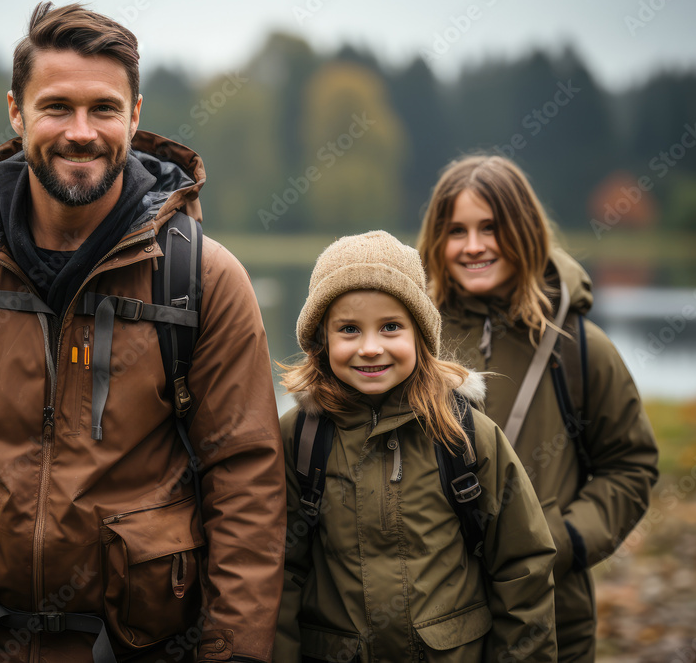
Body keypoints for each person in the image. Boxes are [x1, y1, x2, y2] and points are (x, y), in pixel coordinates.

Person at [0, 3, 285, 663]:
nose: (81, 132)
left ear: (134, 114)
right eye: (56, 107)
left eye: (103, 108)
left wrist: (235, 652)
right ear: (16, 112)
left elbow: (246, 479)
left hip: (140, 647)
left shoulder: (203, 279)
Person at [417, 155, 659, 661]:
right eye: (456, 230)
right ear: (436, 241)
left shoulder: (579, 348)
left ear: (525, 232)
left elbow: (631, 466)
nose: (474, 245)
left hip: (553, 617)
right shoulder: (411, 344)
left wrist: (565, 539)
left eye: (491, 227)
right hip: (427, 620)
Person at [275, 231, 558, 662]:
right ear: (321, 341)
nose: (371, 348)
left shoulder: (465, 435)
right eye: (349, 329)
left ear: (421, 335)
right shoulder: (300, 439)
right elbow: (281, 574)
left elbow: (523, 566)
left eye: (391, 327)